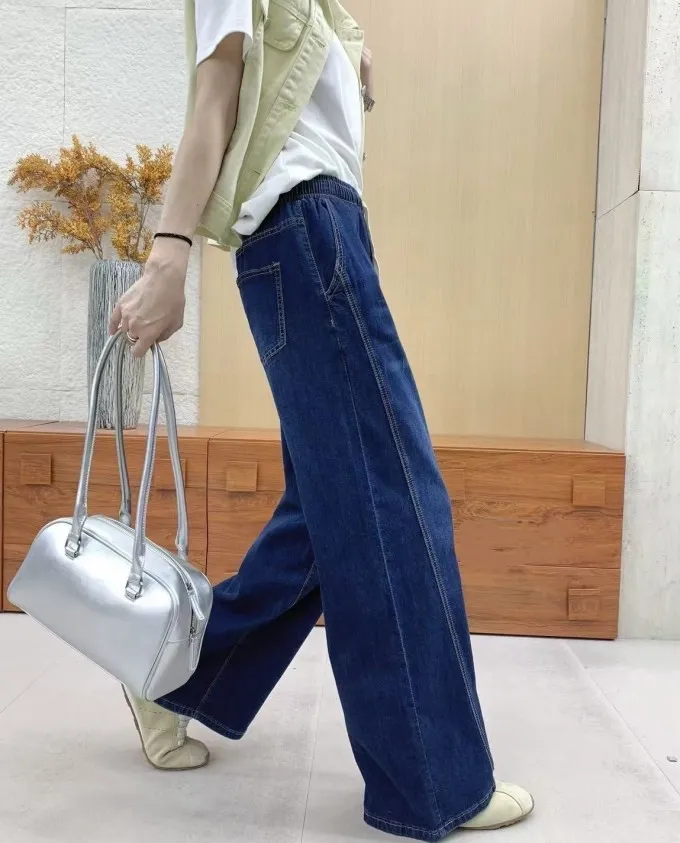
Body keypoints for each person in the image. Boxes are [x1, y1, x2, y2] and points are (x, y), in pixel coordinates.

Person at [109, 1, 533, 839]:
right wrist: (168, 253)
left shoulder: (324, 14)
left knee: (326, 512)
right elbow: (214, 95)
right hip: (308, 230)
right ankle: (430, 781)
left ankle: (174, 679)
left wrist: (350, 61)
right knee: (393, 500)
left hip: (321, 234)